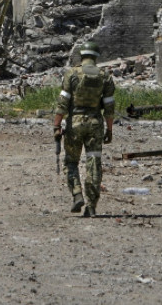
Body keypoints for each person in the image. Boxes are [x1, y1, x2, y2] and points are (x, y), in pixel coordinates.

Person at [53, 41, 115, 217]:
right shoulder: (105, 76)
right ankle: (92, 206)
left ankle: (77, 194)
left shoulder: (72, 73)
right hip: (96, 124)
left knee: (71, 161)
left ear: (82, 56)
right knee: (94, 162)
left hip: (75, 124)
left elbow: (62, 103)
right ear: (96, 57)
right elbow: (109, 108)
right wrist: (109, 130)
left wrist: (57, 125)